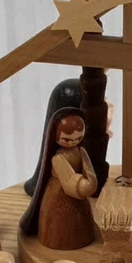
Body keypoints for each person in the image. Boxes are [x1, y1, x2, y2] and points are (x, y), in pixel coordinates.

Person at [19, 107, 97, 250]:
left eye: (78, 138)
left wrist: (91, 179)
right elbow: (68, 179)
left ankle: (81, 238)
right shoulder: (58, 158)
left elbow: (88, 167)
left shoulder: (81, 151)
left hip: (80, 195)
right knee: (61, 223)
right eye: (67, 139)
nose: (73, 142)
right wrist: (82, 185)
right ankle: (60, 241)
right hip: (60, 194)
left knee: (79, 222)